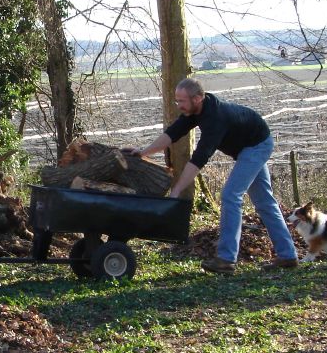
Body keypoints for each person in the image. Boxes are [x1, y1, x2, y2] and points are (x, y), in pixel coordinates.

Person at [124, 78, 297, 274]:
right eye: (176, 101)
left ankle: (226, 259)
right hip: (246, 148)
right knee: (265, 202)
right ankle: (288, 256)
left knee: (231, 196)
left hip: (256, 146)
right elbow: (172, 134)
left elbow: (198, 159)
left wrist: (177, 189)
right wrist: (143, 152)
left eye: (182, 101)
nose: (178, 105)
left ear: (197, 98)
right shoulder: (195, 111)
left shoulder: (215, 119)